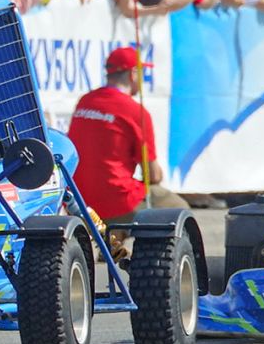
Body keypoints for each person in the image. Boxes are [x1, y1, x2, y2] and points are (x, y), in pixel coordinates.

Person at [69, 46, 184, 219]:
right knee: (179, 208)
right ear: (133, 74)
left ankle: (113, 241)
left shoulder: (85, 101)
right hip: (116, 200)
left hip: (78, 200)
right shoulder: (136, 112)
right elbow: (152, 175)